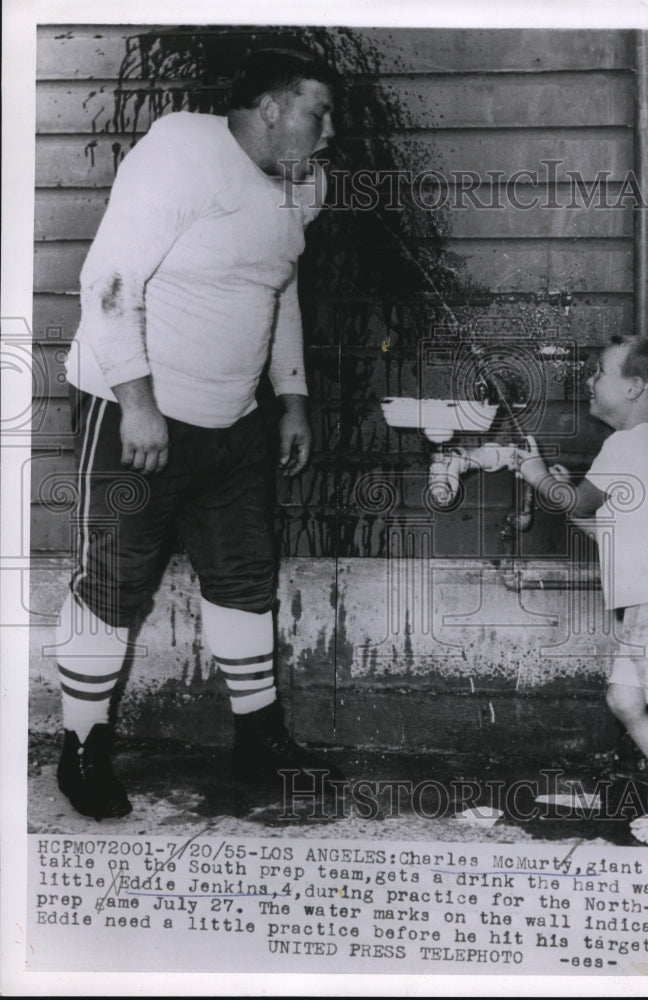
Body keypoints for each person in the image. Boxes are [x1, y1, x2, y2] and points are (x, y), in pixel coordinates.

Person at [54, 48, 342, 820]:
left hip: (234, 421)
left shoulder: (303, 182)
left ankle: (258, 736)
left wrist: (291, 398)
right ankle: (82, 745)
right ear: (273, 107)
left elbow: (278, 290)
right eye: (320, 112)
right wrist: (137, 402)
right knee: (114, 584)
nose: (330, 131)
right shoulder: (182, 149)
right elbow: (108, 279)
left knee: (245, 577)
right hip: (136, 410)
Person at [516, 335, 648, 845]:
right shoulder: (639, 450)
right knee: (626, 701)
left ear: (633, 387)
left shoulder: (629, 444)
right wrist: (563, 492)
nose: (589, 379)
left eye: (600, 371)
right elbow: (597, 521)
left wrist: (538, 476)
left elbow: (580, 505)